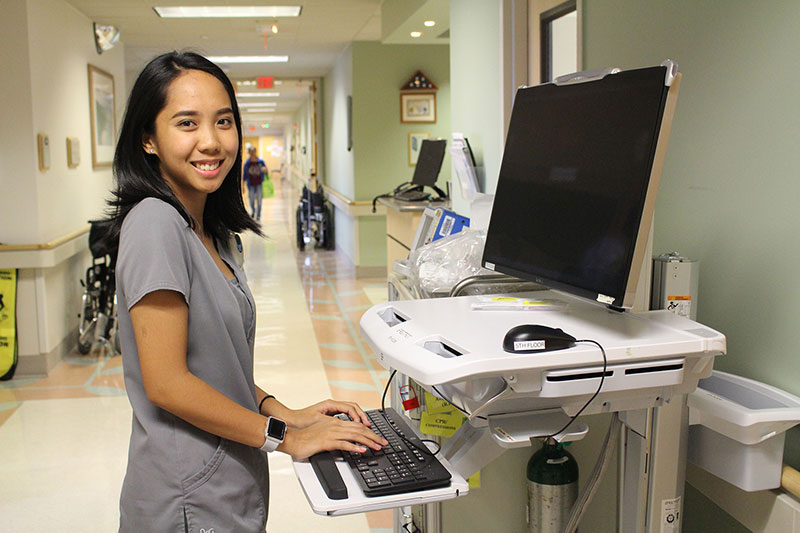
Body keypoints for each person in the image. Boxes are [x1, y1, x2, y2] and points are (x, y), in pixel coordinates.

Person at [104, 51, 386, 532]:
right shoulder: (154, 223)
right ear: (148, 139)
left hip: (225, 479)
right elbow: (168, 382)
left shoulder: (209, 231)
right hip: (186, 496)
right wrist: (285, 437)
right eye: (187, 123)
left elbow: (217, 367)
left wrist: (288, 414)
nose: (211, 142)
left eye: (224, 121)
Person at [243, 146, 267, 219]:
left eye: (253, 152)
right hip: (251, 184)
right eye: (251, 152)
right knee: (251, 199)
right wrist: (242, 186)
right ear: (249, 153)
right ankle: (253, 211)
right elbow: (245, 175)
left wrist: (264, 170)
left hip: (259, 183)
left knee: (259, 200)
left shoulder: (260, 162)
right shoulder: (247, 163)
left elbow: (266, 171)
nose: (252, 154)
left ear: (255, 152)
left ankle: (258, 214)